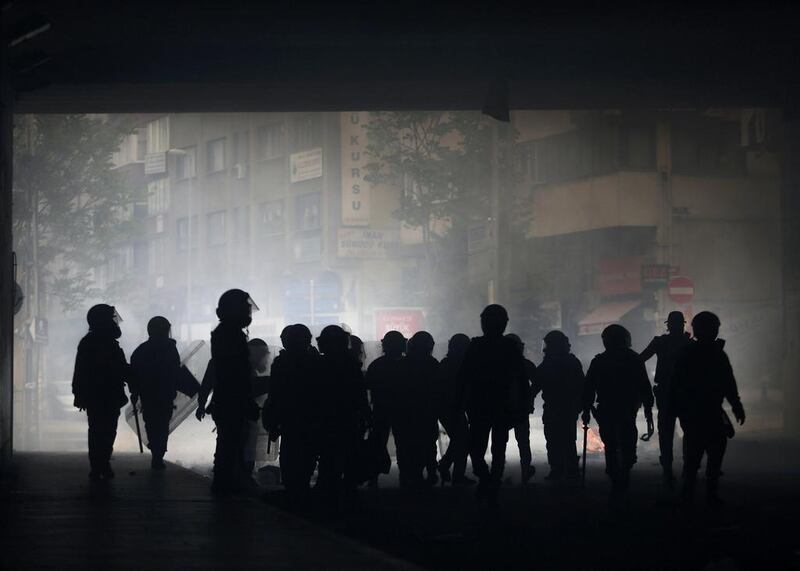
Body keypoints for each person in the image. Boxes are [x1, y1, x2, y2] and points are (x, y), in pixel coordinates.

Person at [672, 311, 745, 505]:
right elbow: (728, 382)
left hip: (696, 412)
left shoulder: (688, 353)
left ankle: (690, 493)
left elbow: (676, 383)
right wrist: (736, 405)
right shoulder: (714, 353)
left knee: (695, 454)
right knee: (712, 452)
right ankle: (705, 493)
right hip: (706, 411)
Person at [460, 304, 527, 503]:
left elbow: (464, 376)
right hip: (499, 404)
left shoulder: (477, 346)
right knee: (497, 446)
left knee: (480, 446)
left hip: (481, 405)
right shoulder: (508, 347)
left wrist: (459, 402)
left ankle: (488, 477)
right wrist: (523, 404)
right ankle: (492, 478)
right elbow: (522, 378)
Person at [583, 324, 654, 494]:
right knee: (626, 441)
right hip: (626, 408)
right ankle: (623, 472)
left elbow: (588, 389)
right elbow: (644, 387)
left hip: (607, 409)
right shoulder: (633, 359)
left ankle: (616, 474)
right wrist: (648, 410)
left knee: (611, 443)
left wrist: (586, 409)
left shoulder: (599, 361)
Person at [209, 289, 260, 495]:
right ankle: (225, 483)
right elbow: (235, 373)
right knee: (230, 443)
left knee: (230, 443)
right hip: (231, 400)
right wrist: (246, 400)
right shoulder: (230, 335)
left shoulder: (226, 332)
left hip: (227, 399)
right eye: (245, 308)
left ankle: (226, 482)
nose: (248, 312)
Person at [72, 304, 130, 480]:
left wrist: (79, 394)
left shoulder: (89, 342)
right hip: (107, 395)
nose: (115, 322)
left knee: (98, 430)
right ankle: (101, 464)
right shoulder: (105, 344)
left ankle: (99, 464)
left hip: (98, 397)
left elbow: (79, 371)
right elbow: (120, 369)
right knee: (105, 431)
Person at [315, 325, 371, 508]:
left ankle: (327, 500)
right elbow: (359, 395)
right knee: (348, 463)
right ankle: (347, 500)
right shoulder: (350, 364)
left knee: (328, 462)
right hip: (348, 421)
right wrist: (366, 416)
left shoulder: (320, 365)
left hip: (326, 422)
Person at [640, 311, 692, 480]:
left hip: (667, 393)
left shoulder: (661, 342)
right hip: (684, 393)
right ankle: (686, 466)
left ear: (668, 325)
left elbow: (640, 359)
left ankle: (668, 467)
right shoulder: (688, 343)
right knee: (688, 431)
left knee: (666, 431)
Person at [129, 316, 181, 470]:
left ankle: (156, 453)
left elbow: (134, 374)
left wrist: (135, 392)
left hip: (148, 396)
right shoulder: (170, 348)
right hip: (165, 395)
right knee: (162, 426)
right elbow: (175, 371)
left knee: (152, 425)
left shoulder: (141, 350)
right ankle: (158, 455)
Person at [394, 331, 440, 489]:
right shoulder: (433, 365)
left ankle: (410, 475)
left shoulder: (401, 365)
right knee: (428, 445)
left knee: (407, 447)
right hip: (427, 414)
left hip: (405, 416)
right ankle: (430, 472)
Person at [537, 330, 584, 480]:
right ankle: (570, 470)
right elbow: (582, 386)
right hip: (568, 408)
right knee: (567, 440)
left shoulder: (549, 362)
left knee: (553, 441)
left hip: (555, 407)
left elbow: (537, 382)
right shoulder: (572, 361)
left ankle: (559, 469)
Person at [365, 330, 407, 484]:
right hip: (403, 410)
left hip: (381, 410)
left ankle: (373, 478)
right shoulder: (407, 365)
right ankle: (406, 476)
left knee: (377, 444)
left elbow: (368, 390)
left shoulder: (376, 365)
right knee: (403, 443)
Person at [436, 334, 474, 486]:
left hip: (447, 408)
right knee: (462, 441)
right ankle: (455, 473)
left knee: (459, 441)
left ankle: (447, 467)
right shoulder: (463, 364)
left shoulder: (446, 363)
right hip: (454, 408)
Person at [505, 333, 538, 483]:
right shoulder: (525, 364)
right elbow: (538, 382)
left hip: (503, 409)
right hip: (520, 409)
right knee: (523, 440)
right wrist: (529, 397)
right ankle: (525, 469)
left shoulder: (498, 364)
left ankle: (496, 471)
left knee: (500, 441)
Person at [243, 338, 270, 477]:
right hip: (244, 418)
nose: (265, 360)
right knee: (247, 449)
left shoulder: (244, 368)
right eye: (263, 355)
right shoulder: (246, 371)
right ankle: (244, 476)